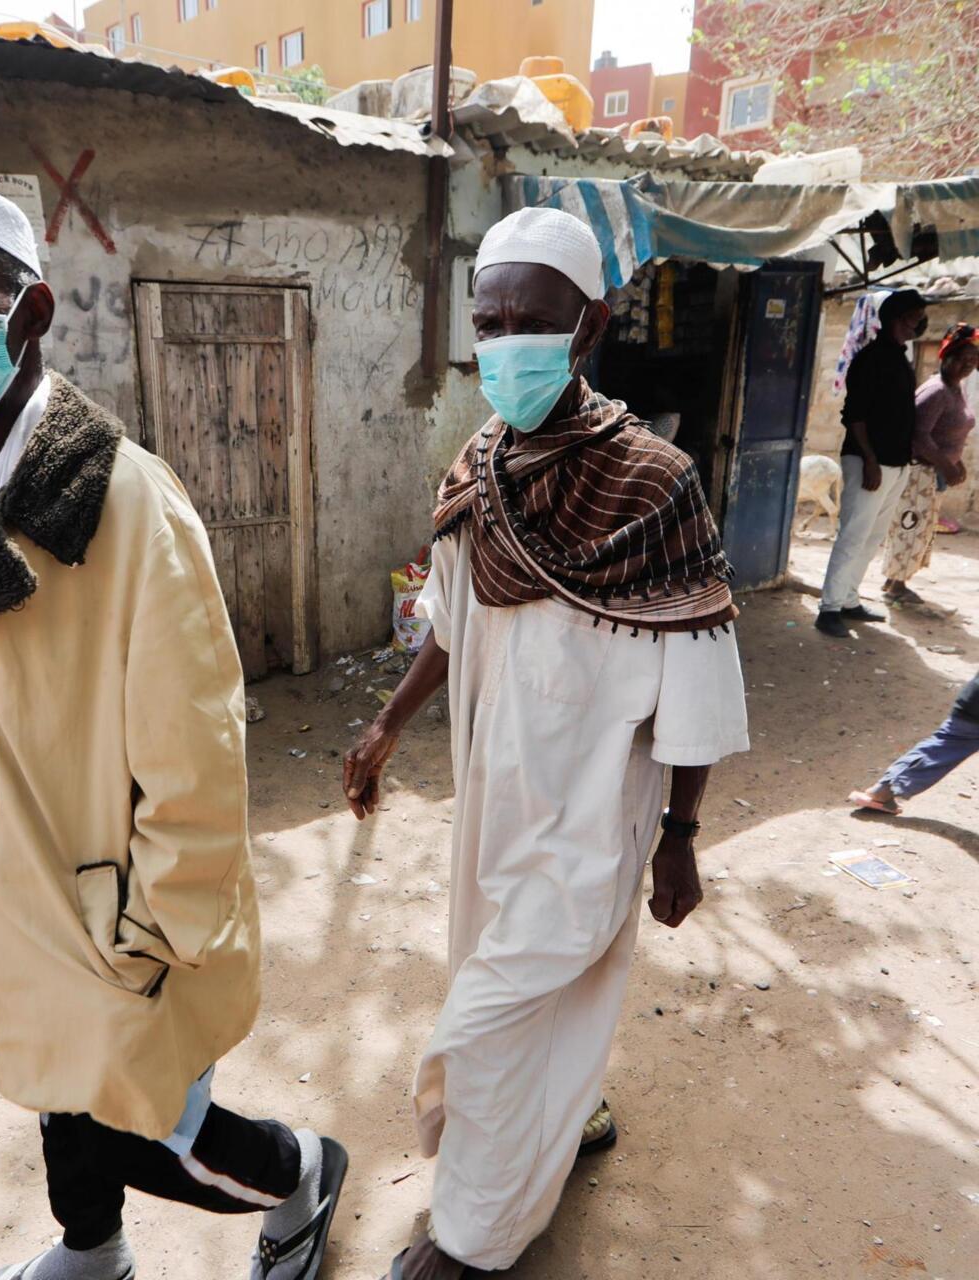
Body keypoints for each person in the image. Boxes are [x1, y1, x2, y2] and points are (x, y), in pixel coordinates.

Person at [0, 177, 344, 1280]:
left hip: (110, 907)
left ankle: (305, 1173)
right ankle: (92, 1252)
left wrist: (149, 931)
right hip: (16, 886)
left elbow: (196, 751)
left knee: (153, 1125)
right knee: (52, 1091)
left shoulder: (127, 501)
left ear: (27, 312)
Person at [342, 207, 749, 1280]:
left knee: (489, 1016)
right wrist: (388, 720)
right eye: (489, 318)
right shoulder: (480, 466)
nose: (507, 337)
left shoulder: (654, 482)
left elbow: (695, 666)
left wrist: (679, 834)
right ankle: (566, 1119)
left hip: (593, 807)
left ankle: (474, 1238)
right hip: (491, 796)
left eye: (533, 316)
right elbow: (447, 615)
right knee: (525, 992)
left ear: (588, 323)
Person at [816, 289, 929, 638]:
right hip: (870, 462)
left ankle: (849, 599)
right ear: (898, 317)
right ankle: (829, 608)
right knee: (852, 535)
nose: (919, 324)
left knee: (872, 536)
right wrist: (870, 460)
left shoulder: (900, 358)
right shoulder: (871, 359)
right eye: (915, 316)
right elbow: (855, 416)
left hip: (895, 464)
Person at [882, 323, 978, 606]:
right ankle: (895, 586)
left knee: (921, 528)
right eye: (963, 359)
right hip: (919, 472)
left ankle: (895, 580)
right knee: (910, 525)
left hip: (933, 473)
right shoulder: (936, 391)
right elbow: (918, 434)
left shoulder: (954, 388)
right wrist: (946, 465)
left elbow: (947, 432)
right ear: (946, 356)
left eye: (973, 361)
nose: (968, 365)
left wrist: (955, 463)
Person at [849, 671, 979, 815]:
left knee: (948, 741)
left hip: (972, 700)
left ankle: (883, 790)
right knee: (952, 740)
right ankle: (884, 790)